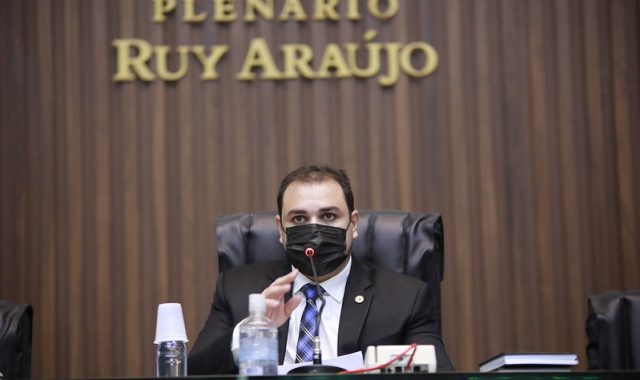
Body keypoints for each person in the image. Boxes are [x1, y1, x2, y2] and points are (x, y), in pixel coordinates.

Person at [188, 164, 455, 373]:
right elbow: (194, 374)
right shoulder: (237, 289)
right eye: (300, 218)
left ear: (354, 223)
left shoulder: (406, 298)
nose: (314, 229)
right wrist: (252, 331)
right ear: (281, 230)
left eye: (328, 216)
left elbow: (439, 376)